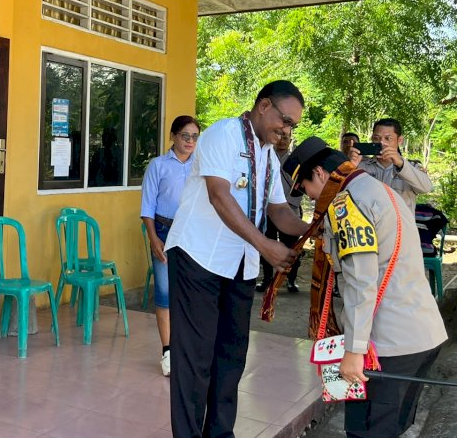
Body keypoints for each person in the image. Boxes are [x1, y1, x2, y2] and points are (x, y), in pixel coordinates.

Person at [165, 80, 308, 437]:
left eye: (293, 125)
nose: (286, 129)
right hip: (198, 258)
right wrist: (265, 245)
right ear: (263, 105)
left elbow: (279, 211)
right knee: (194, 359)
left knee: (231, 358)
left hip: (239, 265)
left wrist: (317, 230)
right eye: (284, 119)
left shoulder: (268, 155)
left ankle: (220, 433)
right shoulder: (223, 134)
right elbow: (218, 195)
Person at [284, 137, 446, 438]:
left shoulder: (347, 204)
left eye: (305, 187)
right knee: (382, 429)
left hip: (389, 344)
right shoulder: (379, 190)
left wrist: (353, 351)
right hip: (420, 336)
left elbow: (361, 281)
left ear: (319, 173)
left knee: (368, 432)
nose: (308, 196)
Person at [141, 116, 201, 377]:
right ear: (173, 136)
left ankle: (187, 348)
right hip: (165, 231)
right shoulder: (158, 165)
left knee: (192, 291)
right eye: (185, 135)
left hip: (193, 232)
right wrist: (154, 238)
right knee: (165, 293)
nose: (190, 141)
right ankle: (168, 351)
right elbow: (147, 207)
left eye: (195, 137)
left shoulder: (201, 165)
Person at [349, 118, 432, 214]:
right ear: (372, 139)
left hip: (400, 227)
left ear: (399, 140)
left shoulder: (412, 167)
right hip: (367, 227)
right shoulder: (360, 165)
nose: (382, 143)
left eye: (388, 138)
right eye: (376, 138)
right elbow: (340, 194)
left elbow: (427, 188)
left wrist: (400, 164)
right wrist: (350, 167)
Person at [256, 130, 303, 293]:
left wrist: (290, 203)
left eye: (286, 138)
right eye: (280, 137)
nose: (282, 140)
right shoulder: (266, 156)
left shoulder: (297, 160)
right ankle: (267, 278)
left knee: (292, 246)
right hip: (268, 209)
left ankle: (290, 279)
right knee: (266, 243)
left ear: (290, 140)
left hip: (290, 209)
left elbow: (302, 185)